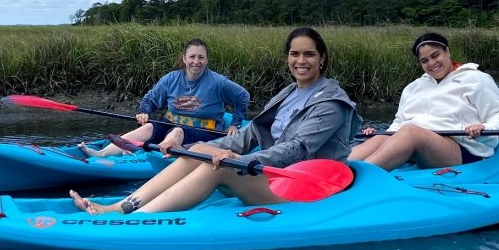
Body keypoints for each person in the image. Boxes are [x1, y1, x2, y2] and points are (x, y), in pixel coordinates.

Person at [70, 27, 361, 214]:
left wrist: (240, 159)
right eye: (294, 54)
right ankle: (123, 206)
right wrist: (219, 148)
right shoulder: (287, 94)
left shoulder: (332, 101)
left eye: (309, 54)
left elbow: (299, 149)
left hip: (309, 185)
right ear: (287, 58)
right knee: (201, 151)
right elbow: (250, 135)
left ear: (322, 58)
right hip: (278, 175)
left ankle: (132, 219)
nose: (301, 60)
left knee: (218, 168)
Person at [348, 31, 499, 170]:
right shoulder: (413, 87)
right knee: (382, 137)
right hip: (419, 145)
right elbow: (399, 124)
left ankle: (356, 180)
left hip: (462, 148)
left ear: (447, 51)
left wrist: (485, 127)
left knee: (411, 132)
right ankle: (337, 168)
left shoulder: (476, 79)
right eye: (424, 60)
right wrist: (382, 134)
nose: (432, 63)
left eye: (436, 55)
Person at [78, 38, 250, 157]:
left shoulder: (218, 82)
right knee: (149, 127)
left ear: (206, 60)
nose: (196, 61)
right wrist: (144, 111)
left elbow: (243, 96)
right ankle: (102, 153)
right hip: (171, 126)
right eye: (192, 56)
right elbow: (150, 99)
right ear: (184, 59)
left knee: (178, 131)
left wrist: (235, 123)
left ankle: (162, 158)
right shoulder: (171, 79)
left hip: (206, 132)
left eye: (201, 57)